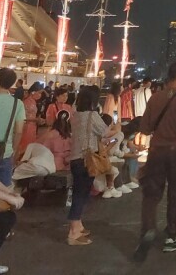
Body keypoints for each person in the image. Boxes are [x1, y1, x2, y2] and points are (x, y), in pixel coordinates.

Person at [132, 61, 176, 262]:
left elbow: (144, 128)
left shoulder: (155, 98)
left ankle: (148, 230)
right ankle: (172, 236)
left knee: (151, 194)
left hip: (156, 152)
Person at [67, 86, 106, 246]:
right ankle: (73, 232)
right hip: (87, 160)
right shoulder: (92, 115)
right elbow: (104, 131)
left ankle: (79, 225)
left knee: (79, 192)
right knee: (80, 194)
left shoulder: (75, 116)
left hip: (75, 158)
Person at [0, 68, 24, 186]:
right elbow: (18, 131)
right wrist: (14, 150)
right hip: (5, 152)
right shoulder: (18, 104)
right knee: (3, 190)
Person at [37, 108, 72, 173]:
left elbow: (44, 150)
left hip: (53, 164)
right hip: (69, 165)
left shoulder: (50, 134)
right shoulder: (71, 135)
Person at [17, 84, 43, 160]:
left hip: (32, 126)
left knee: (30, 145)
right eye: (39, 92)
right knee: (25, 145)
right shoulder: (27, 101)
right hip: (27, 127)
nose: (40, 95)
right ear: (33, 92)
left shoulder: (33, 101)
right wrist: (35, 120)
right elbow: (23, 117)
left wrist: (37, 119)